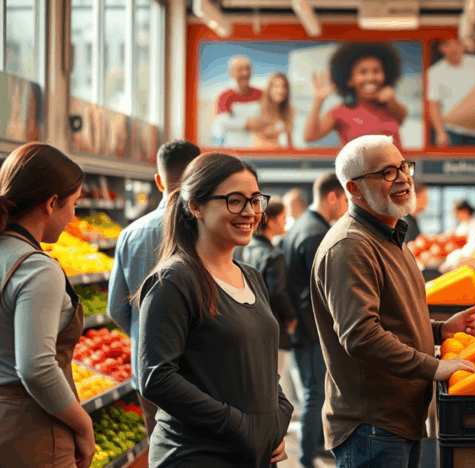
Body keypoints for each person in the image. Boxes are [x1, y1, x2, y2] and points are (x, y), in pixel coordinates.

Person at [312, 135, 475, 467]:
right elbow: (361, 335)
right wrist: (435, 366)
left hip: (397, 419)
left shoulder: (390, 235)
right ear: (355, 189)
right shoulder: (350, 246)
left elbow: (390, 316)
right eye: (387, 172)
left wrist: (439, 330)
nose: (403, 177)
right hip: (372, 426)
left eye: (404, 166)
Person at [136, 152, 293, 467]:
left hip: (253, 453)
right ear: (195, 205)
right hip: (196, 456)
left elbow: (261, 364)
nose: (250, 212)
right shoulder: (174, 280)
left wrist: (277, 418)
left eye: (255, 200)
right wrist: (240, 426)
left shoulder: (251, 277)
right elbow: (157, 377)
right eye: (235, 201)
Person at [0, 143, 95, 468]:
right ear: (52, 203)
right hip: (31, 430)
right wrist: (84, 425)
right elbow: (36, 369)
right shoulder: (37, 269)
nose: (73, 217)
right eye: (74, 204)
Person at [107, 139, 201, 437]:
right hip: (199, 371)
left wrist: (144, 333)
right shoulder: (206, 229)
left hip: (147, 370)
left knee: (160, 448)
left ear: (159, 180)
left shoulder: (130, 234)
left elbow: (115, 309)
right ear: (199, 176)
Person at [282, 171, 348, 468]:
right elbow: (315, 291)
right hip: (311, 332)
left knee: (314, 392)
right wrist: (327, 332)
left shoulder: (301, 226)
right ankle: (309, 457)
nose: (346, 206)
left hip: (301, 329)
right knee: (314, 394)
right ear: (332, 196)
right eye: (345, 199)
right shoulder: (315, 232)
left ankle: (315, 449)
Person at [234, 198, 298, 380]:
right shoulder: (274, 255)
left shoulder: (243, 249)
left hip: (246, 326)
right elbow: (277, 292)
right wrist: (291, 316)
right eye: (284, 218)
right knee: (274, 386)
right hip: (273, 330)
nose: (286, 223)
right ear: (271, 220)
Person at [304, 43, 408, 148]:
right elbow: (309, 136)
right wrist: (318, 100)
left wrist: (392, 100)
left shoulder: (392, 107)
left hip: (397, 164)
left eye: (376, 71)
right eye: (363, 72)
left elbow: (402, 117)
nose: (370, 77)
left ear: (385, 76)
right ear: (350, 80)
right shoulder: (340, 112)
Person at [427, 37, 475, 147]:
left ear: (464, 45)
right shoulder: (434, 72)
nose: (454, 48)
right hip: (451, 131)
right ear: (441, 48)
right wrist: (440, 132)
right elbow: (433, 105)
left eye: (458, 43)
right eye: (448, 45)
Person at [212, 55, 269, 147]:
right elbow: (222, 122)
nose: (245, 73)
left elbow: (270, 117)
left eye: (247, 69)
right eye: (240, 69)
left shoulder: (261, 94)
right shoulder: (225, 96)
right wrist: (245, 124)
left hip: (258, 147)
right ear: (231, 73)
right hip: (233, 148)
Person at [252, 73, 295, 149]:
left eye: (284, 87)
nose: (281, 91)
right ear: (269, 89)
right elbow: (256, 143)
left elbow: (290, 143)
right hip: (260, 156)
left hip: (280, 157)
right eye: (276, 86)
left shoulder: (290, 111)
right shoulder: (258, 109)